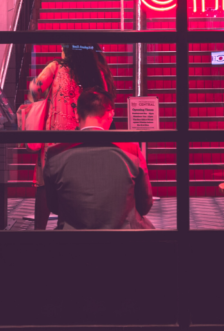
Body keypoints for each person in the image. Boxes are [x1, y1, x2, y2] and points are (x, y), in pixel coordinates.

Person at [28, 44, 116, 230]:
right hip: (84, 136)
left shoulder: (56, 67)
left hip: (55, 137)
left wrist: (47, 100)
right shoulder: (96, 72)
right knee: (79, 182)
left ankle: (39, 232)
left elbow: (35, 89)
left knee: (45, 184)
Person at [43, 89, 154, 230]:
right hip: (124, 241)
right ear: (111, 114)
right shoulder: (131, 151)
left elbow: (53, 205)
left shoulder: (56, 154)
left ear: (77, 115)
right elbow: (145, 204)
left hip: (72, 244)